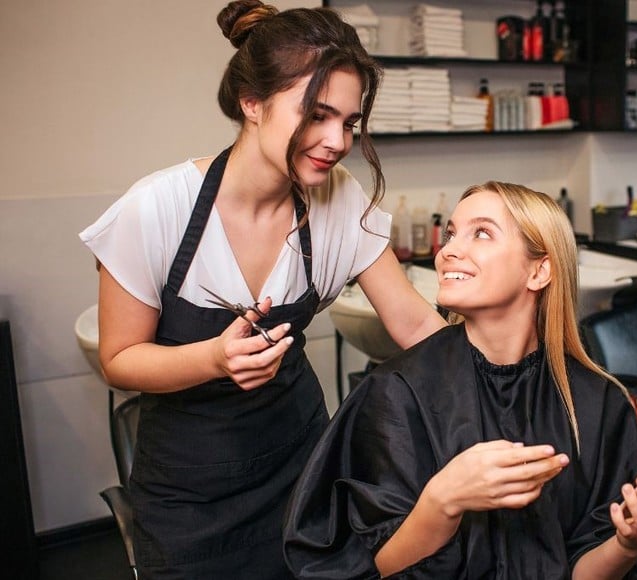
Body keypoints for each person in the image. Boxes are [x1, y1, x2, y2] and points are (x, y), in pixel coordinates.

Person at [79, 3, 446, 578]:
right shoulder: (156, 209)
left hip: (303, 471)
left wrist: (518, 382)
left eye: (349, 122)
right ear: (252, 103)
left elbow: (415, 325)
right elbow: (118, 360)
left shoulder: (338, 198)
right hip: (187, 501)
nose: (337, 140)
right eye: (318, 114)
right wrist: (213, 359)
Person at [283, 182, 637, 579]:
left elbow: (583, 572)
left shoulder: (600, 404)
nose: (448, 251)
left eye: (481, 233)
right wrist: (444, 499)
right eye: (451, 234)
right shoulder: (396, 393)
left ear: (539, 271)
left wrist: (628, 543)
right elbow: (382, 569)